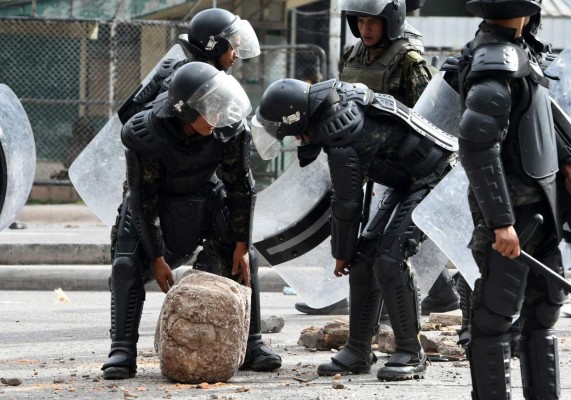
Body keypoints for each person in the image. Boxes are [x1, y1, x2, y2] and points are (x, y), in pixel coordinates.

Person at [101, 10, 282, 380]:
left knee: (241, 252)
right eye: (208, 110)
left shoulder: (226, 122)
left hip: (204, 191)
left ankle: (251, 342)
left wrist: (241, 245)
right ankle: (121, 350)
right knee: (125, 264)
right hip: (154, 196)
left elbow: (241, 188)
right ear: (185, 110)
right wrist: (157, 258)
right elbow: (143, 196)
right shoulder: (151, 129)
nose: (217, 116)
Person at [251, 76, 457, 380]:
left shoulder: (339, 130)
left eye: (286, 132)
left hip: (436, 176)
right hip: (409, 179)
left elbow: (347, 203)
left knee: (389, 258)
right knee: (364, 261)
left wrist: (340, 253)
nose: (291, 139)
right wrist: (350, 254)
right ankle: (358, 350)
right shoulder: (331, 104)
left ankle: (411, 353)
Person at [458, 0, 571, 398]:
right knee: (495, 319)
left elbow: (538, 118)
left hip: (542, 209)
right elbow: (477, 146)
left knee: (543, 314)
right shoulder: (495, 59)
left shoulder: (520, 49)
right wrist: (501, 222)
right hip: (515, 217)